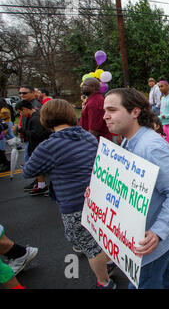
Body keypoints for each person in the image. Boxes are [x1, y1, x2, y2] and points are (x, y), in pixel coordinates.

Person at [103, 88, 169, 289]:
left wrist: (158, 231)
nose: (105, 116)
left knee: (142, 283)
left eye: (112, 110)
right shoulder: (128, 139)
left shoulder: (151, 146)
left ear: (135, 112)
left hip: (150, 236)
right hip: (145, 229)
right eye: (105, 110)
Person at [22, 99, 116, 289]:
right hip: (96, 198)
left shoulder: (50, 146)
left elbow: (28, 171)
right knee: (97, 236)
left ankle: (104, 282)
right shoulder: (87, 136)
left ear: (46, 118)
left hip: (73, 203)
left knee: (87, 244)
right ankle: (108, 262)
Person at [13, 100, 51, 196]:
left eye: (20, 112)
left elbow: (36, 135)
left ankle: (44, 186)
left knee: (40, 167)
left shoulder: (35, 119)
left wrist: (21, 129)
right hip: (37, 146)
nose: (21, 115)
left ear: (25, 109)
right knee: (39, 169)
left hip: (39, 147)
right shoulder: (34, 117)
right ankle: (41, 186)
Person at [79, 77, 113, 142]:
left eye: (85, 85)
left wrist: (84, 144)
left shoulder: (95, 102)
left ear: (93, 87)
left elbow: (93, 130)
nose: (82, 87)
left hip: (95, 143)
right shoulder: (92, 100)